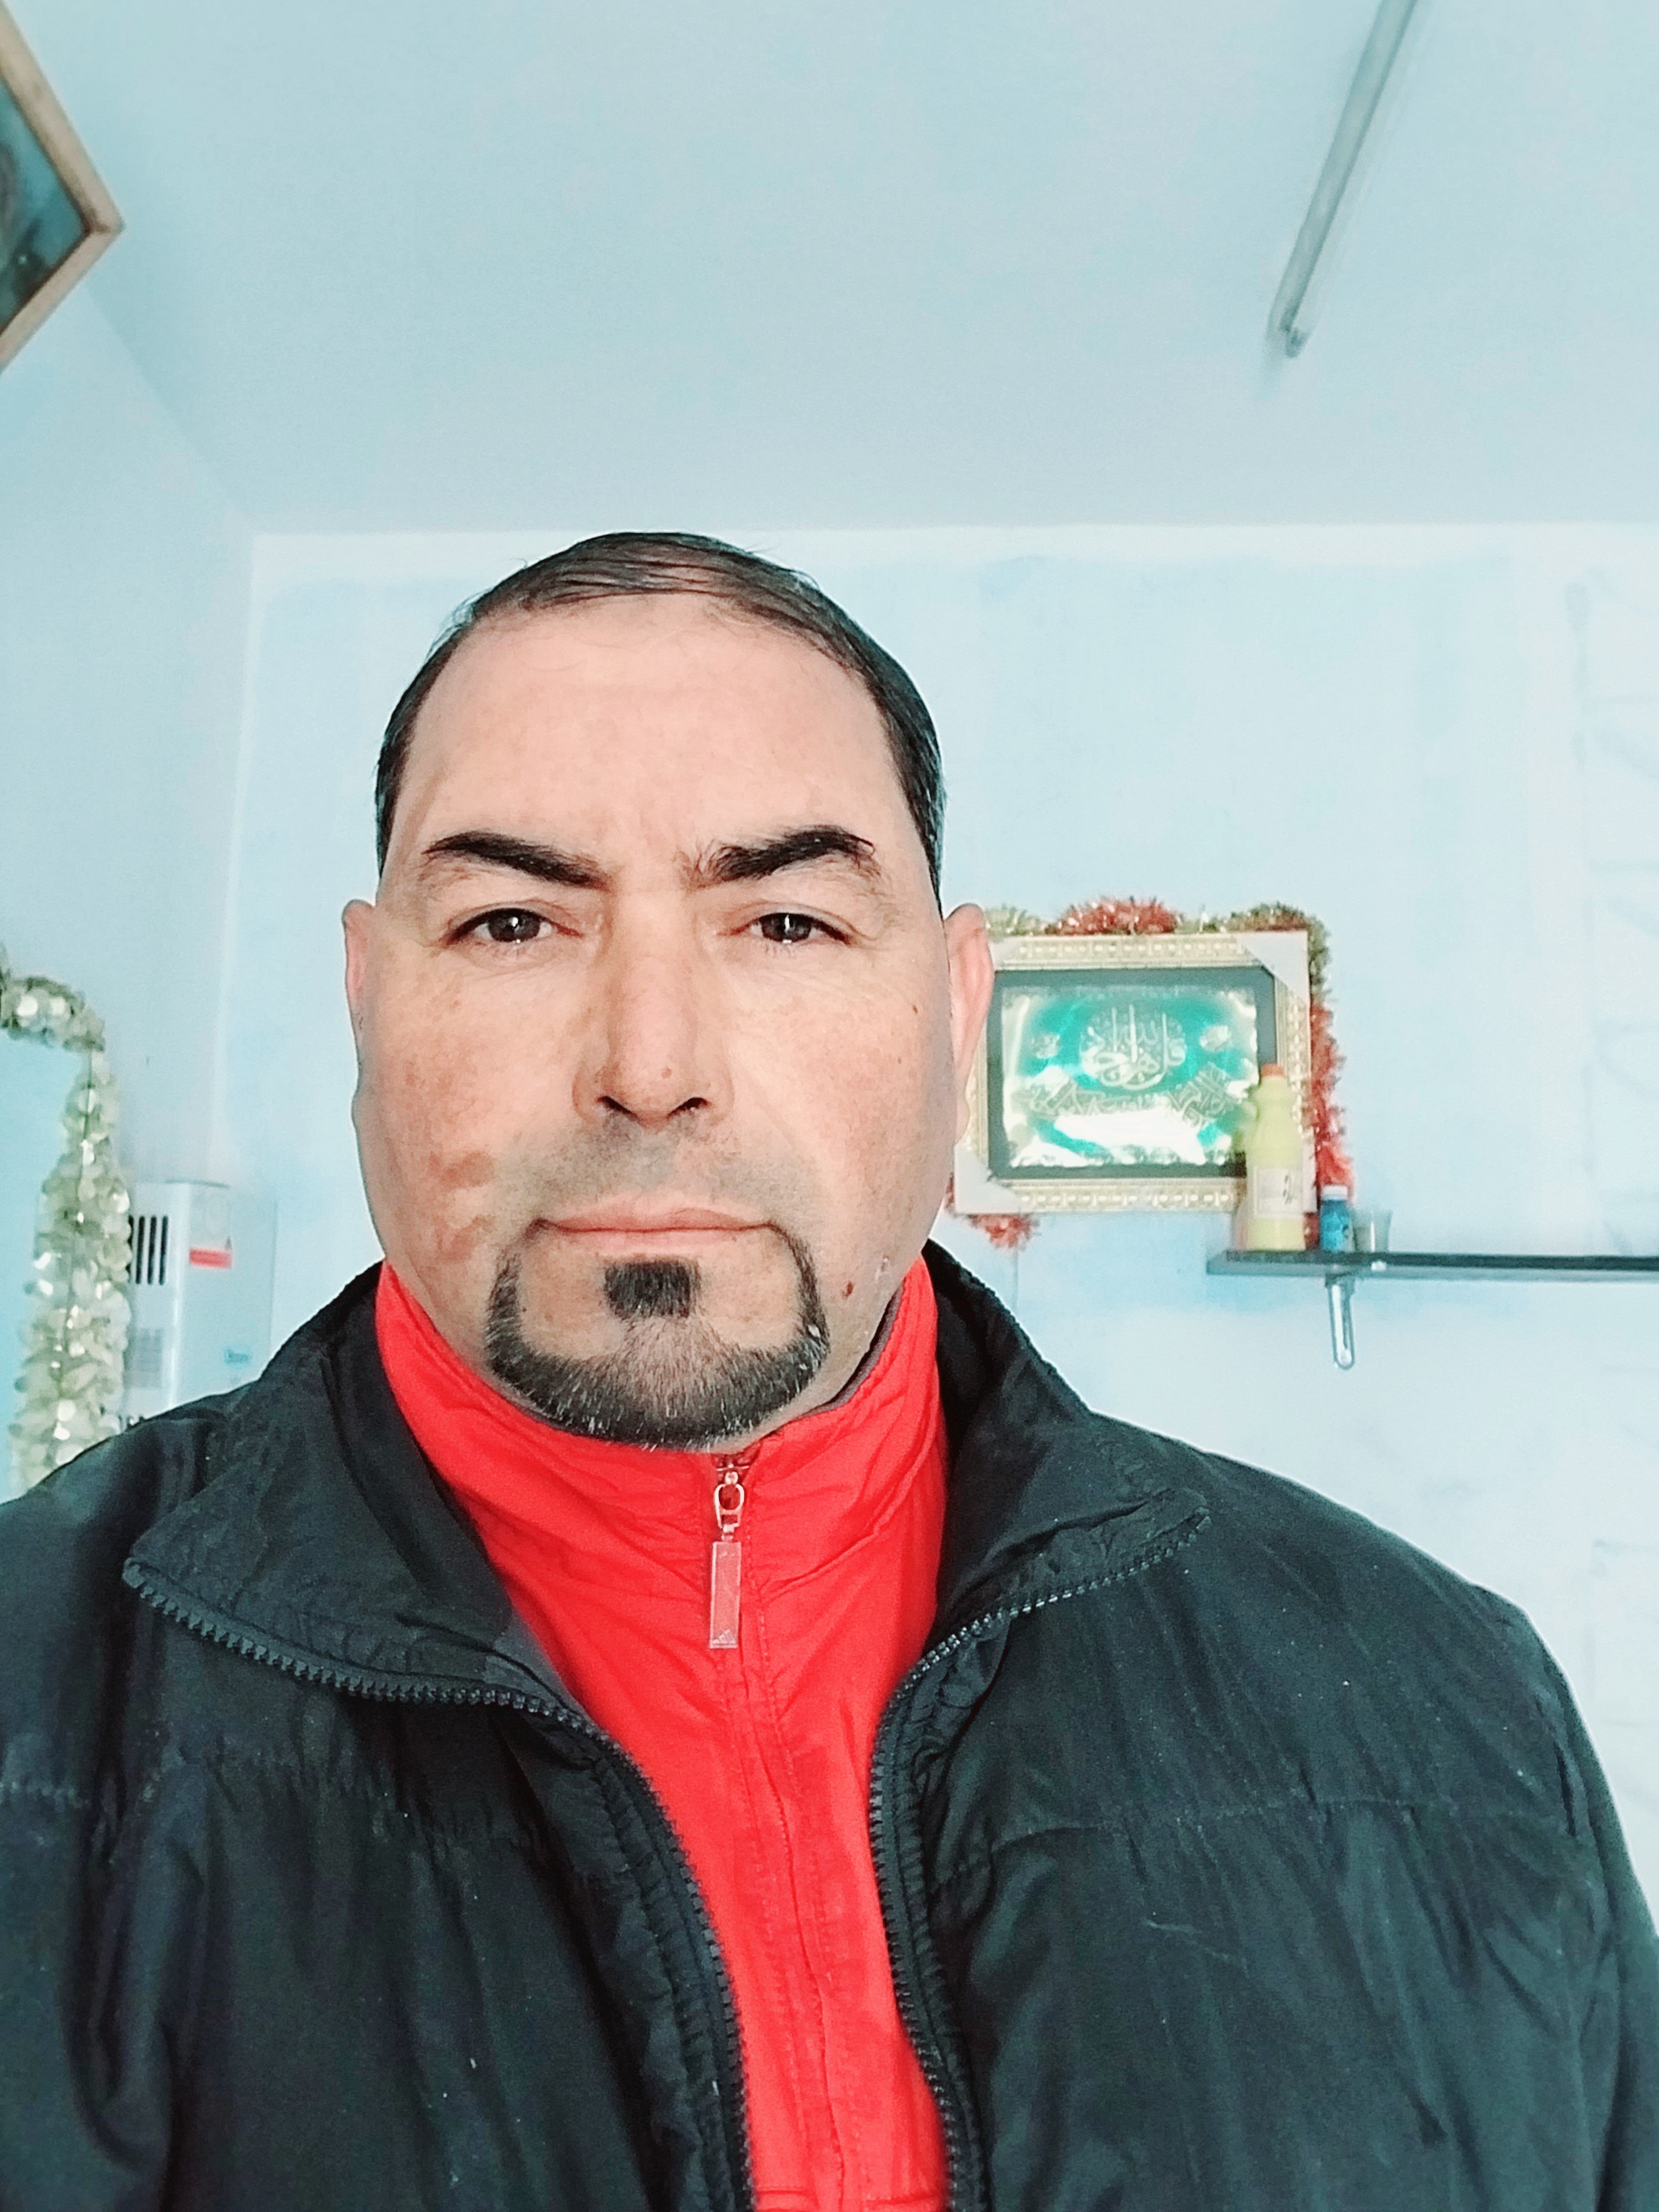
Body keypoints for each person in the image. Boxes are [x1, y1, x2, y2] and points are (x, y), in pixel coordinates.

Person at [0, 532, 1654, 2212]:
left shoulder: (1467, 1717)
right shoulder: (30, 1695)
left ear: (955, 1013)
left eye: (786, 920)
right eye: (512, 921)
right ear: (368, 1003)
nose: (651, 1066)